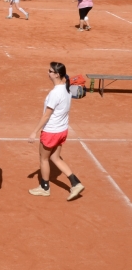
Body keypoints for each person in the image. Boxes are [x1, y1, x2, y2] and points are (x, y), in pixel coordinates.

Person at [28, 62, 85, 201]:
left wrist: (34, 131)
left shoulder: (55, 93)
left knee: (44, 158)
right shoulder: (67, 89)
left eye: (50, 71)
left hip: (51, 132)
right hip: (62, 131)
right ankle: (75, 183)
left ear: (57, 74)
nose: (48, 73)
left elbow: (46, 115)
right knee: (55, 158)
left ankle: (45, 187)